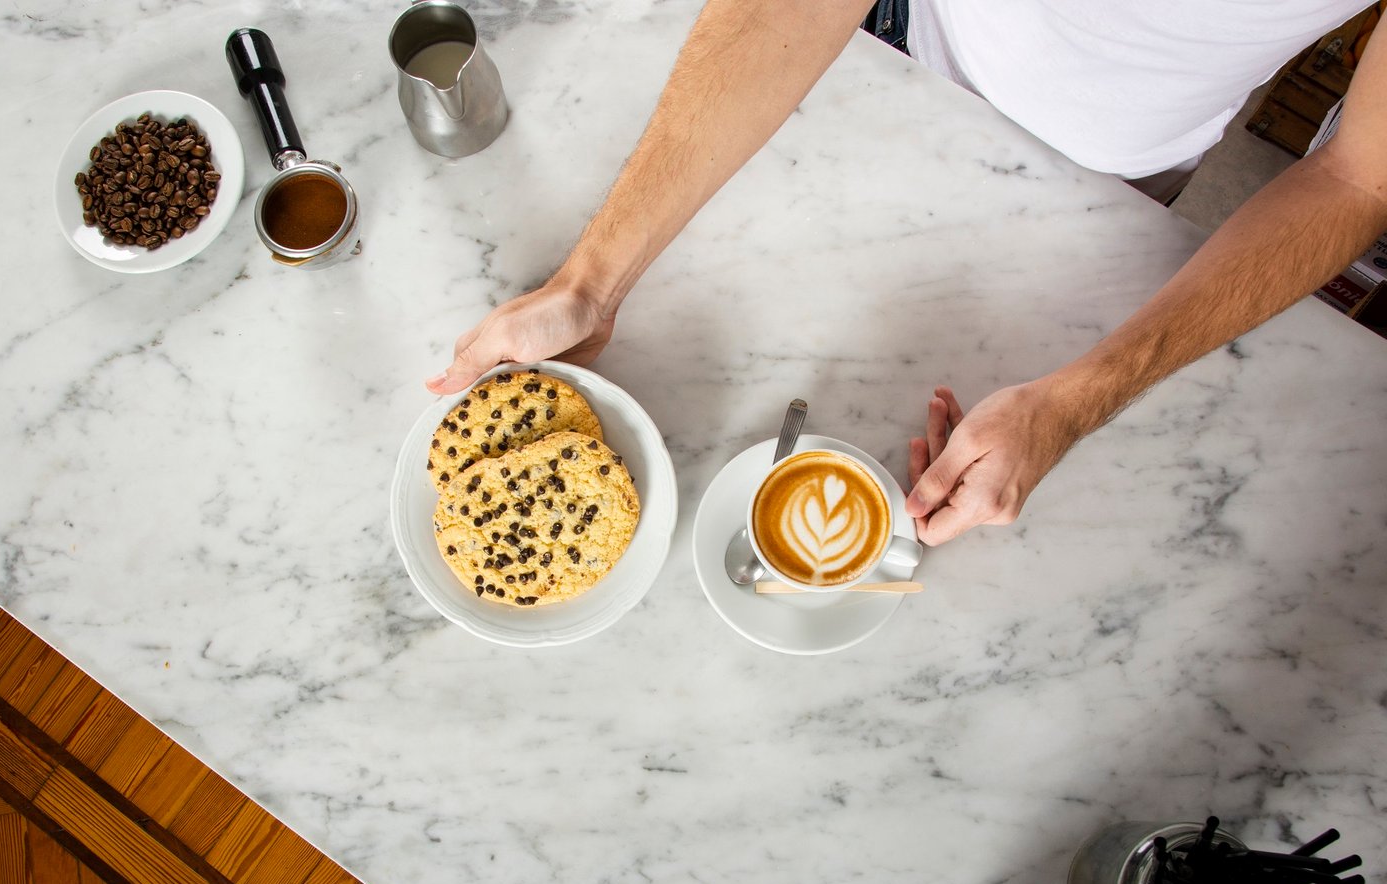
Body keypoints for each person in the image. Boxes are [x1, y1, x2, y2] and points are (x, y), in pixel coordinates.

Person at [425, 0, 1387, 546]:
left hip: (1118, 180)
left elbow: (1357, 177)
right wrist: (592, 280)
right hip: (890, 56)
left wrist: (1078, 400)